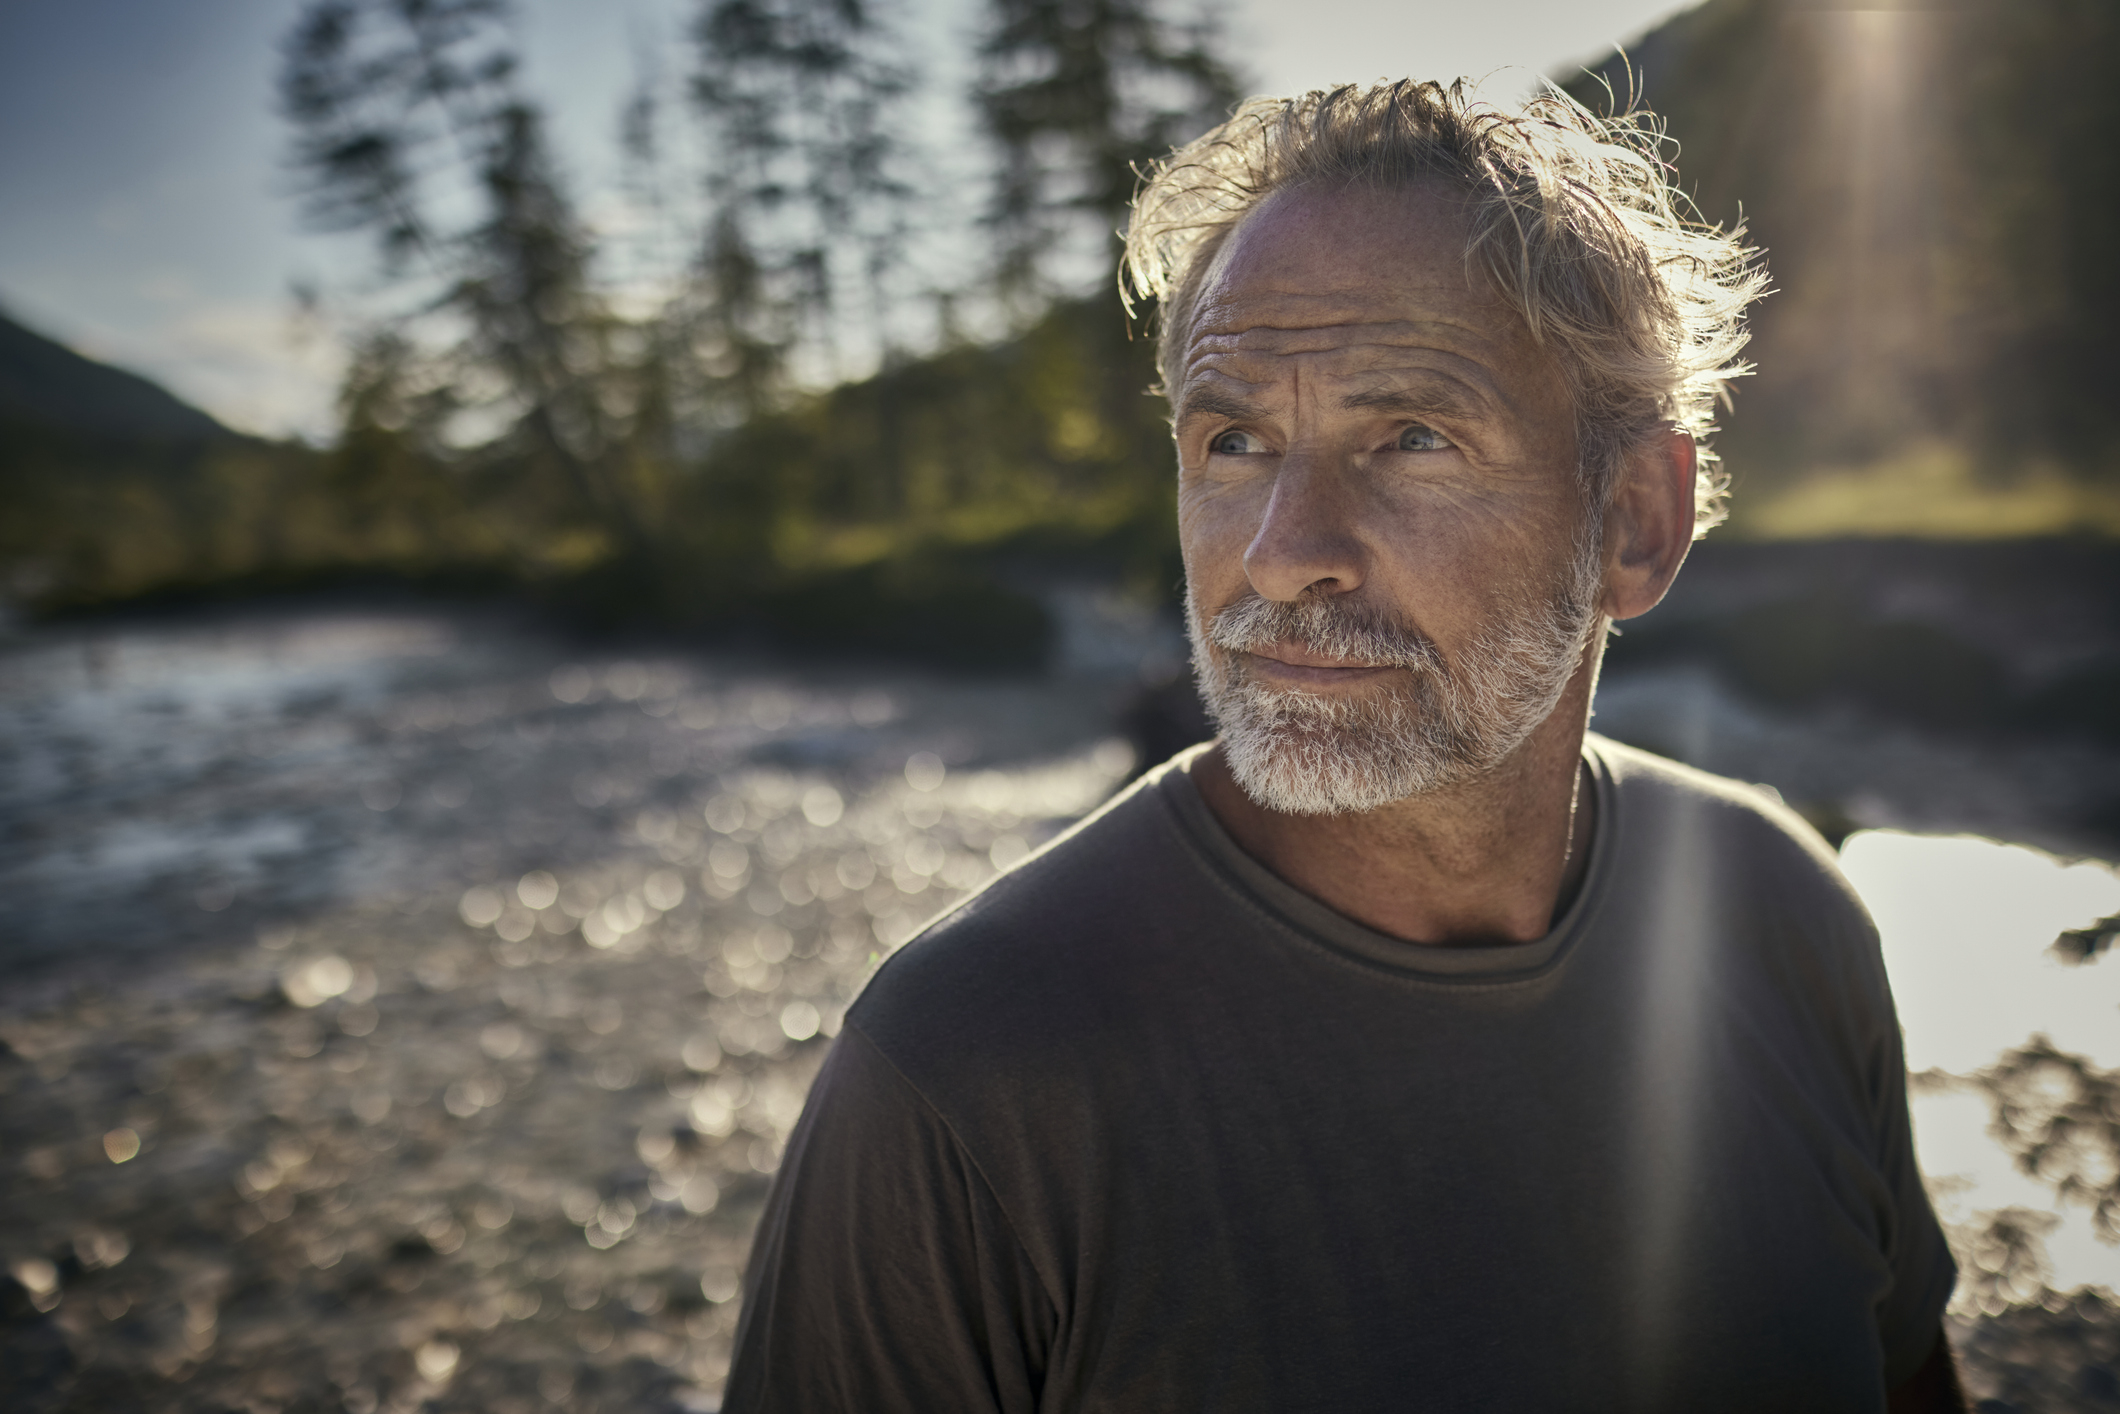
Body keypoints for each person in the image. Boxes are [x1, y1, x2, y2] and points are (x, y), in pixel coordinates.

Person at [723, 80, 1964, 1412]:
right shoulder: (964, 1075)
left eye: (1411, 435)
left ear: (1638, 522)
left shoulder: (1782, 912)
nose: (1281, 552)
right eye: (1235, 440)